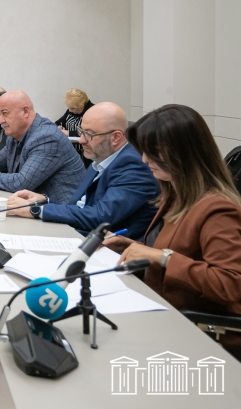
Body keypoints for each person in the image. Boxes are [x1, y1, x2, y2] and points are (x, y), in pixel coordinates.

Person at [103, 104, 241, 358]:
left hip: (197, 333)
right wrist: (132, 246)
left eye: (152, 152)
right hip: (163, 311)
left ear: (183, 153)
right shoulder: (176, 195)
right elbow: (178, 251)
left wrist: (161, 256)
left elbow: (229, 283)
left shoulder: (218, 208)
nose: (144, 160)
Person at [6, 102, 159, 239]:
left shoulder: (133, 164)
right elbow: (80, 206)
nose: (81, 140)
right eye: (81, 131)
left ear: (116, 137)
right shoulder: (101, 158)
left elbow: (101, 216)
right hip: (81, 236)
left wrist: (37, 210)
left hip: (109, 250)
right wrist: (45, 201)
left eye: (89, 134)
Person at [0, 90, 85, 204]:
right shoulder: (14, 135)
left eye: (5, 113)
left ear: (25, 111)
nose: (0, 121)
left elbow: (21, 183)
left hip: (64, 210)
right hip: (35, 207)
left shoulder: (47, 138)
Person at [55, 88, 94, 167]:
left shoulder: (93, 112)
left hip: (86, 153)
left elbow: (90, 132)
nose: (69, 110)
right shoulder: (70, 111)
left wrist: (68, 133)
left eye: (72, 108)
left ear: (81, 105)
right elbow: (58, 123)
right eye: (69, 108)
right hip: (71, 150)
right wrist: (58, 127)